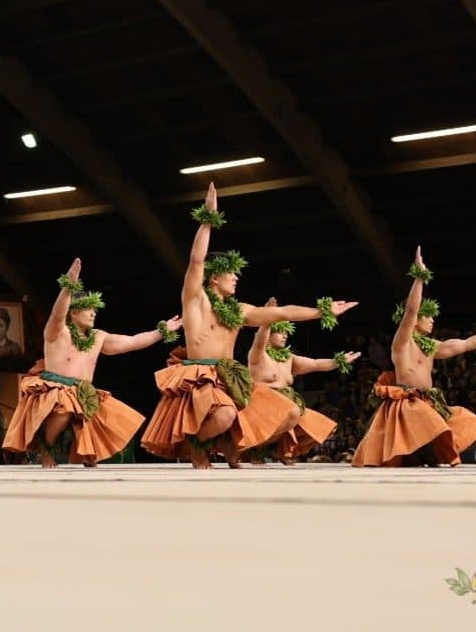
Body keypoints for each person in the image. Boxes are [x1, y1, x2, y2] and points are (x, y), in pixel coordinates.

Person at [141, 183, 358, 468]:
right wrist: (207, 221)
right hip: (202, 376)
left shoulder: (240, 310)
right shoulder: (196, 302)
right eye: (230, 273)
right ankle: (197, 444)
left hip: (232, 377)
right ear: (214, 277)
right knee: (225, 415)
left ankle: (228, 446)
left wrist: (320, 311)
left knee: (287, 412)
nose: (236, 278)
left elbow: (281, 313)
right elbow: (196, 261)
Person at [3, 258, 182, 467]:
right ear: (74, 312)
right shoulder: (58, 332)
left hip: (84, 392)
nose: (94, 313)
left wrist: (162, 331)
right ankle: (46, 448)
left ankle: (86, 453)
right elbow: (57, 314)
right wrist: (68, 287)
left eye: (95, 309)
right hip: (55, 392)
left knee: (116, 418)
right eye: (89, 309)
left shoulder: (98, 337)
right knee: (65, 408)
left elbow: (132, 342)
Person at [353, 246, 476, 467]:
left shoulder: (432, 347)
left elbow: (467, 344)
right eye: (428, 316)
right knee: (429, 423)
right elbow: (411, 311)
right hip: (407, 403)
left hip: (426, 401)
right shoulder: (402, 343)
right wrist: (420, 278)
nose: (432, 320)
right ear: (416, 321)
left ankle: (428, 456)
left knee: (452, 422)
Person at [246, 301, 360, 464]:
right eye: (280, 332)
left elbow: (316, 364)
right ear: (269, 334)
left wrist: (339, 361)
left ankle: (279, 450)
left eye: (286, 333)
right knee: (292, 412)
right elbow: (259, 341)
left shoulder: (289, 359)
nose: (285, 336)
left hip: (287, 407)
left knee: (323, 427)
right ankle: (256, 447)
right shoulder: (257, 355)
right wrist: (267, 317)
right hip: (263, 408)